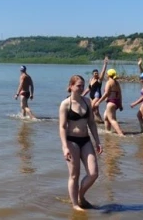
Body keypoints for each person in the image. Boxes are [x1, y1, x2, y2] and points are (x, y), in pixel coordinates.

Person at [58, 75, 103, 211]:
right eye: (78, 85)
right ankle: (75, 205)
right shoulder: (65, 104)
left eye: (83, 85)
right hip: (72, 141)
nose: (81, 88)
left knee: (94, 173)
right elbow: (62, 127)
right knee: (74, 175)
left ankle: (80, 196)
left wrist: (97, 141)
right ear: (71, 86)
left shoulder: (87, 101)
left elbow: (91, 123)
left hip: (86, 140)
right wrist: (65, 147)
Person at [93, 69, 124, 136]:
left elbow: (106, 93)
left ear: (109, 75)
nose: (106, 75)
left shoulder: (109, 82)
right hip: (116, 102)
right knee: (106, 117)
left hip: (111, 103)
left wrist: (99, 102)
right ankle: (108, 132)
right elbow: (120, 94)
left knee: (112, 119)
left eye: (107, 74)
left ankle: (121, 134)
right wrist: (120, 104)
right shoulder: (116, 82)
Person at [83, 56, 108, 123]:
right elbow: (88, 89)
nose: (96, 74)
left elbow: (103, 72)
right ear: (93, 74)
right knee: (96, 111)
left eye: (97, 73)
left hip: (97, 96)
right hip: (91, 97)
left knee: (91, 107)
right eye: (95, 73)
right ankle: (101, 121)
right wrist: (82, 95)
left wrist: (105, 64)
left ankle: (86, 120)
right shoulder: (91, 80)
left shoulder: (99, 80)